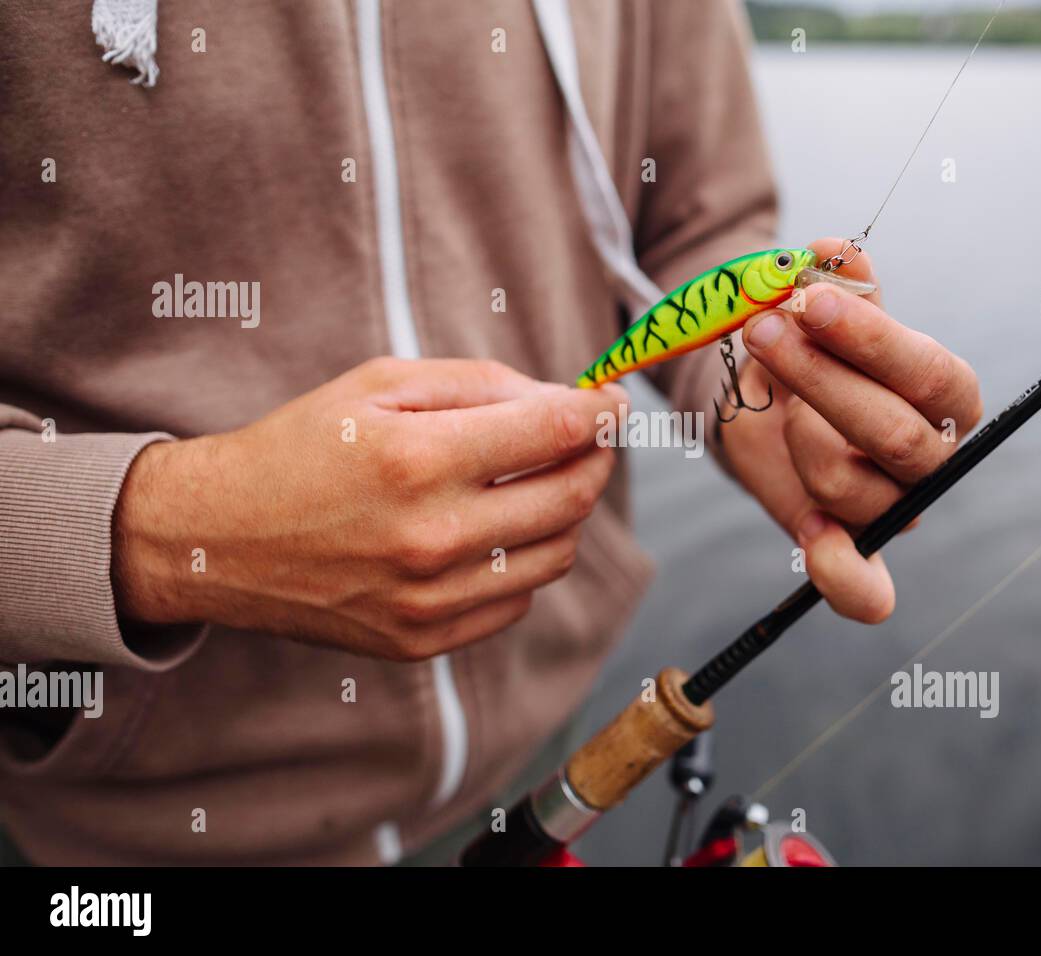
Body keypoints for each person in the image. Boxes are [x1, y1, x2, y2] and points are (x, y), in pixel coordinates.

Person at [0, 0, 980, 864]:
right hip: (112, 825)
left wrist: (761, 389)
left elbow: (694, 222)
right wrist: (162, 534)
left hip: (546, 751)